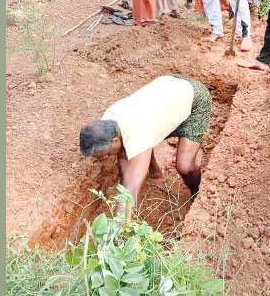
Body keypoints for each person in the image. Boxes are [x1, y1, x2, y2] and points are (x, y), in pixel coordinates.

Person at [79, 74, 212, 217]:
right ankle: (155, 172)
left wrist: (116, 230)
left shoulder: (138, 131)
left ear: (115, 140)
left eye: (106, 154)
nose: (106, 157)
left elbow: (130, 190)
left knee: (184, 166)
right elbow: (127, 155)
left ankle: (196, 193)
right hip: (166, 94)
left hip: (193, 97)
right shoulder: (108, 121)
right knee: (135, 147)